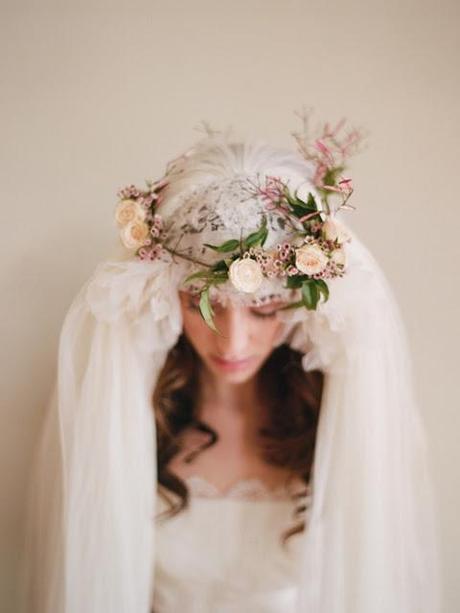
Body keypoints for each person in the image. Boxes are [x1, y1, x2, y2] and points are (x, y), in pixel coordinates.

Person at [22, 117, 441, 613]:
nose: (233, 340)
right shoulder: (122, 413)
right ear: (163, 294)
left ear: (303, 301)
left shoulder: (342, 424)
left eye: (263, 308)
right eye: (204, 302)